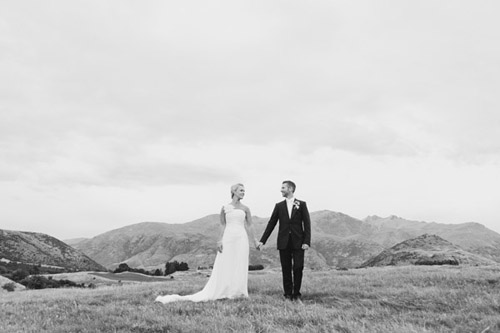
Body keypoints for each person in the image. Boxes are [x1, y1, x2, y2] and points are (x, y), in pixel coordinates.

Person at [155, 183, 259, 303]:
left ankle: (239, 291)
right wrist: (219, 240)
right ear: (234, 191)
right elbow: (222, 224)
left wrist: (255, 240)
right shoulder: (225, 207)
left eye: (244, 191)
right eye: (241, 190)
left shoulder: (246, 209)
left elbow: (250, 225)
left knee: (240, 262)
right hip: (228, 238)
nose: (243, 192)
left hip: (241, 238)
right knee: (226, 263)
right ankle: (224, 289)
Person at [257, 180, 311, 301]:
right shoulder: (279, 206)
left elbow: (307, 224)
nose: (281, 190)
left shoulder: (301, 204)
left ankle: (296, 293)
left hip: (299, 242)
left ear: (290, 189)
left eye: (283, 188)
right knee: (286, 268)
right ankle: (287, 294)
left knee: (298, 267)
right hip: (283, 241)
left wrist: (306, 241)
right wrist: (262, 240)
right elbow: (272, 223)